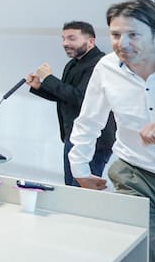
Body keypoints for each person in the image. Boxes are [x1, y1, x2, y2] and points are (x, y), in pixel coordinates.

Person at [68, 0, 155, 262]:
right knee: (148, 260)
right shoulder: (107, 68)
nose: (123, 43)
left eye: (134, 34)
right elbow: (89, 120)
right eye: (116, 34)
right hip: (132, 172)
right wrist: (80, 169)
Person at [27, 20, 116, 187]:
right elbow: (67, 97)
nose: (65, 43)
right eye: (63, 38)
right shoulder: (73, 64)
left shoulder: (99, 64)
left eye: (72, 38)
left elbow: (82, 99)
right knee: (71, 188)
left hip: (93, 142)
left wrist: (48, 79)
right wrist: (41, 87)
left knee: (81, 193)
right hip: (73, 137)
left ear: (90, 41)